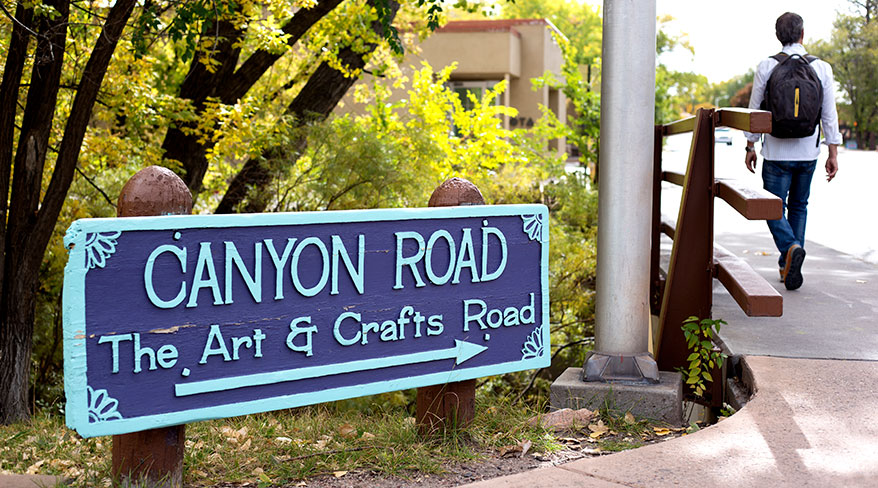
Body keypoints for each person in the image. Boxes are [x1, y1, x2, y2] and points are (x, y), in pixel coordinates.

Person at [744, 11, 841, 291]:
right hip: (808, 153)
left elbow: (754, 110)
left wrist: (750, 144)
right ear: (802, 34)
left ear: (779, 36)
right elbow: (829, 114)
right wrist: (832, 152)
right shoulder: (822, 68)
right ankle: (790, 262)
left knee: (772, 207)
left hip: (775, 152)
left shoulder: (767, 65)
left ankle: (789, 250)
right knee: (799, 206)